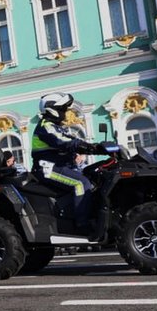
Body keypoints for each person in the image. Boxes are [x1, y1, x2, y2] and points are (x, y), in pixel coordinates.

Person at [30, 92, 98, 230]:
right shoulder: (45, 126)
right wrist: (88, 147)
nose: (66, 112)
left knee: (94, 176)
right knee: (81, 183)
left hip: (59, 166)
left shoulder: (56, 127)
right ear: (52, 110)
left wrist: (97, 147)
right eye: (63, 109)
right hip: (48, 169)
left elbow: (72, 141)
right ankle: (83, 225)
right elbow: (63, 142)